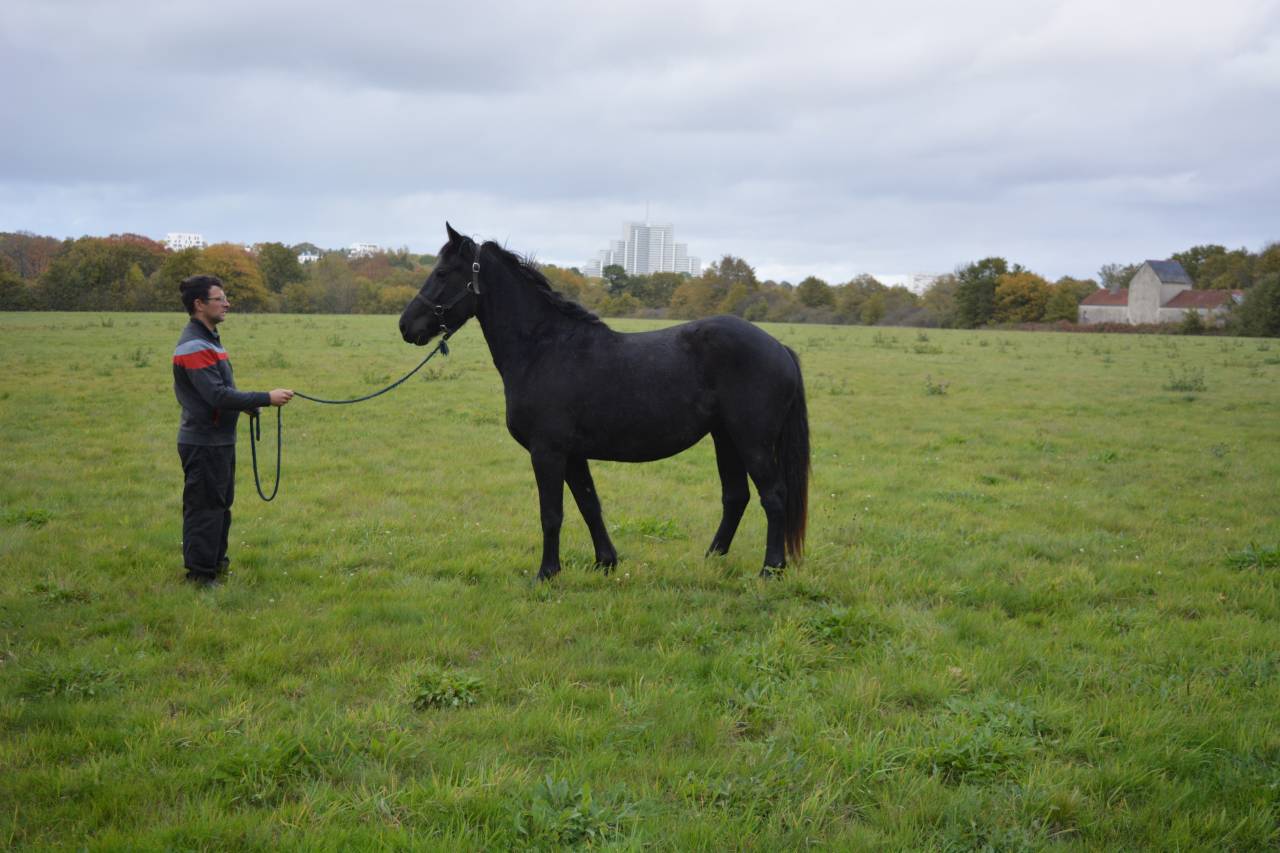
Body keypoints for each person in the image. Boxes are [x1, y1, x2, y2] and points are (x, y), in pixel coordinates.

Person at [173, 275, 293, 585]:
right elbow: (216, 395)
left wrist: (245, 406)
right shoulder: (194, 345)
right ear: (200, 305)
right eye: (219, 299)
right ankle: (200, 577)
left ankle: (216, 566)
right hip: (203, 442)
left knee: (220, 506)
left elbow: (221, 392)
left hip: (218, 440)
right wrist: (265, 398)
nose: (227, 304)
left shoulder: (210, 340)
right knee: (205, 509)